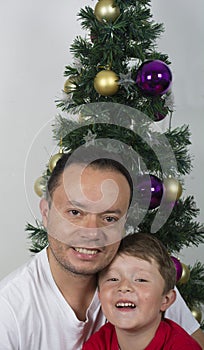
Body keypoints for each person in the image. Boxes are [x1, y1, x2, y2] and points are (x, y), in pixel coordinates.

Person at [0, 147, 203, 349]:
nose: (91, 232)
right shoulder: (9, 311)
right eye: (74, 212)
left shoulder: (144, 280)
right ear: (46, 213)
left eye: (109, 218)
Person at [82, 233, 202, 349]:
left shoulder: (183, 346)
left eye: (141, 280)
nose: (124, 286)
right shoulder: (100, 342)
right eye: (113, 279)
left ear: (165, 300)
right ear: (100, 296)